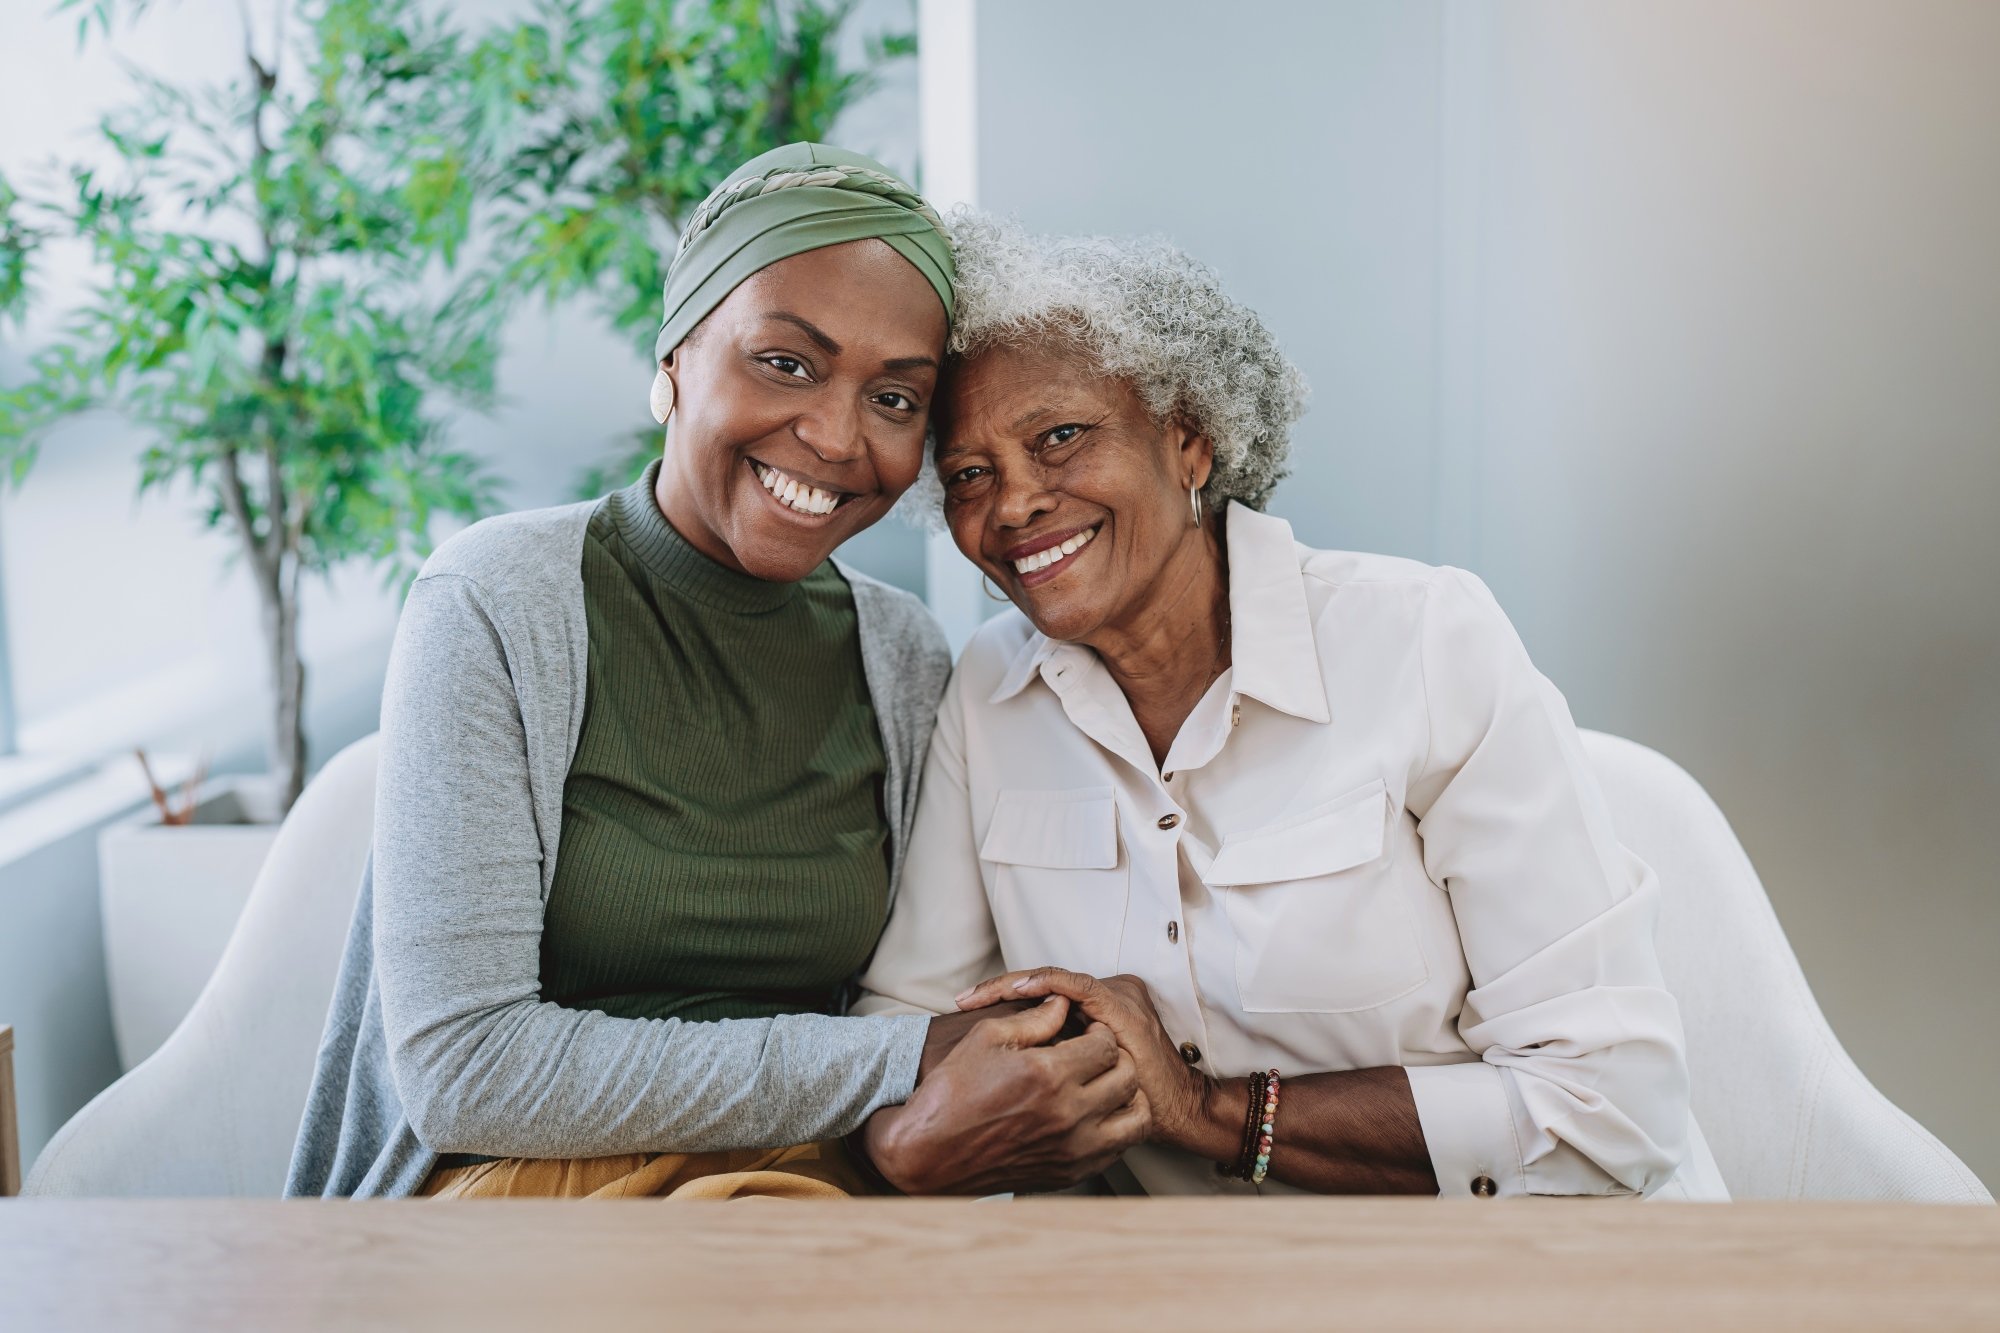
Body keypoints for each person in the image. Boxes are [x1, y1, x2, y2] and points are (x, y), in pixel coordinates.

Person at [286, 147, 1146, 1200]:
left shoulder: (903, 656)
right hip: (521, 1200)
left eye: (893, 398)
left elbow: (930, 1003)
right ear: (677, 354)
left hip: (802, 1191)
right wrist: (905, 1056)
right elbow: (465, 1072)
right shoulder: (496, 600)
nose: (835, 435)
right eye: (785, 362)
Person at [856, 214, 1730, 1200]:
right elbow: (904, 1027)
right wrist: (905, 1140)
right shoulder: (988, 691)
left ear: (1188, 441)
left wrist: (1204, 1110)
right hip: (1167, 1274)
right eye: (969, 475)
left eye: (1059, 437)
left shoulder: (1423, 640)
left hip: (1497, 1263)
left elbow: (1610, 1104)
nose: (1012, 504)